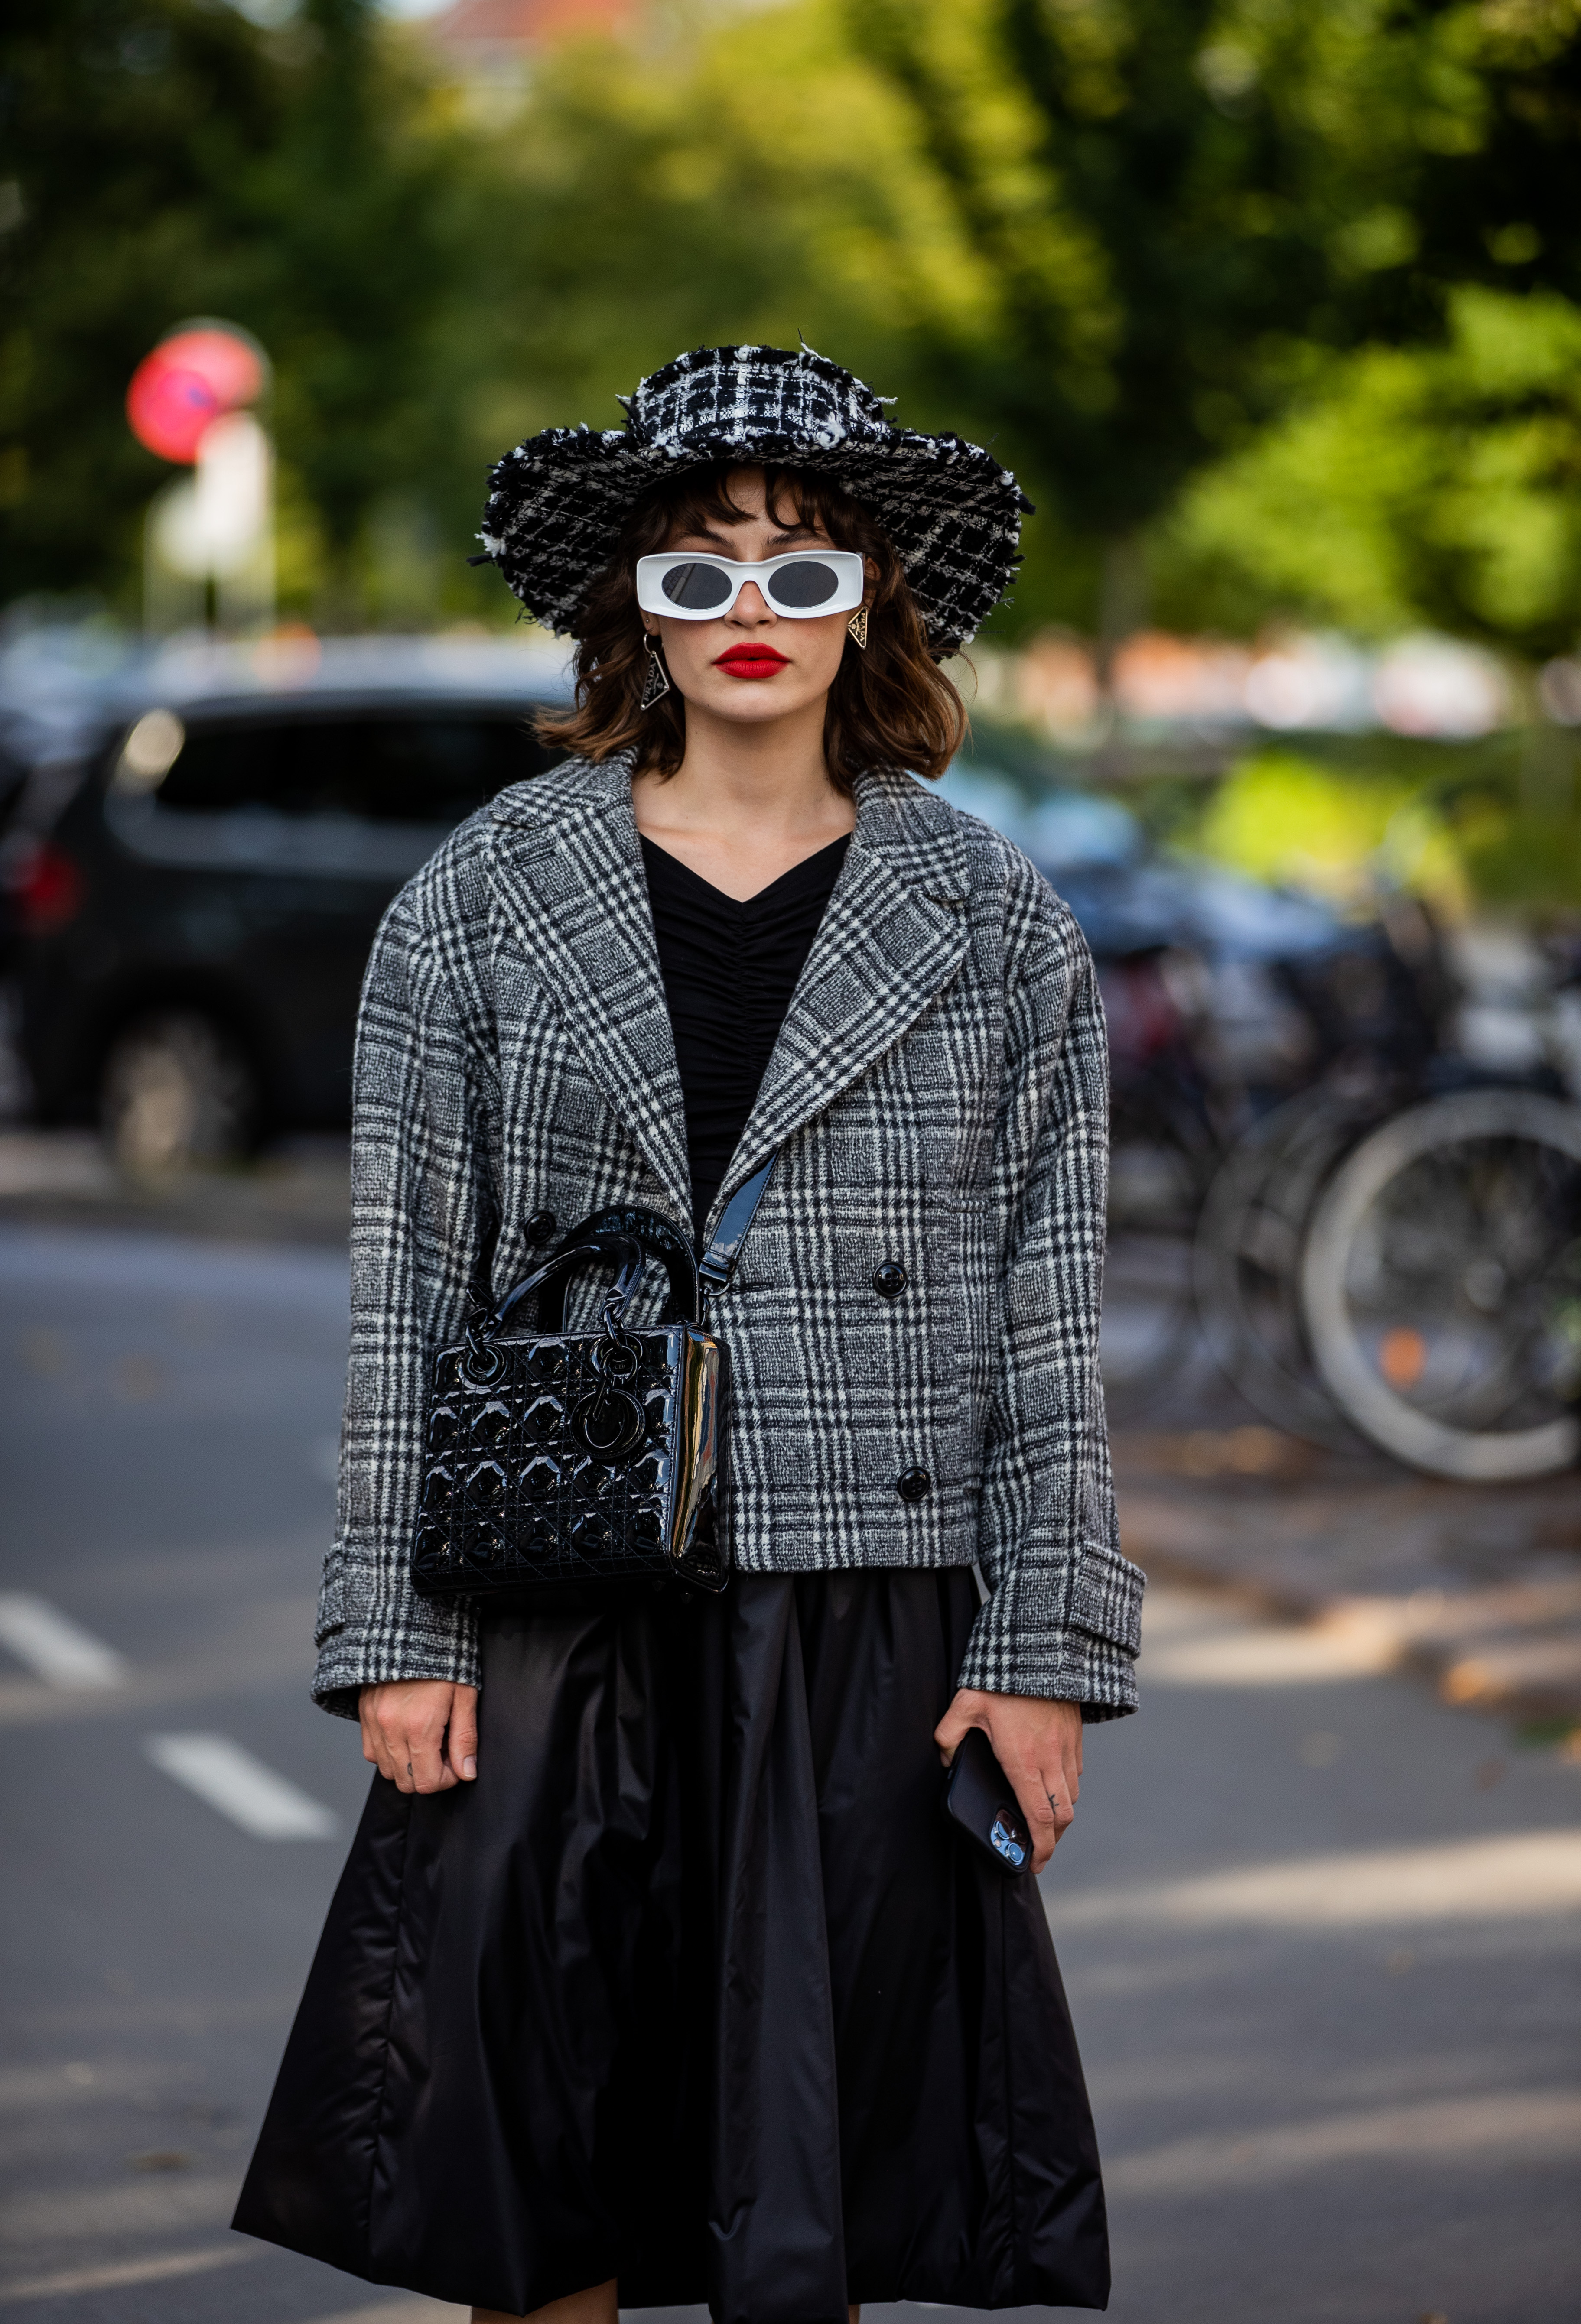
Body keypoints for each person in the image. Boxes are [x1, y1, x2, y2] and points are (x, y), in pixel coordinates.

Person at [234, 342, 1142, 2324]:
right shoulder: (475, 902)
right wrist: (391, 1628)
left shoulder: (997, 923)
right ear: (630, 604)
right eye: (702, 567)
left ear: (874, 606)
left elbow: (1045, 1315)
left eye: (807, 570)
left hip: (860, 1615)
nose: (753, 614)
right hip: (554, 1599)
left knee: (798, 2202)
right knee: (536, 2193)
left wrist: (1045, 1649)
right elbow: (410, 1291)